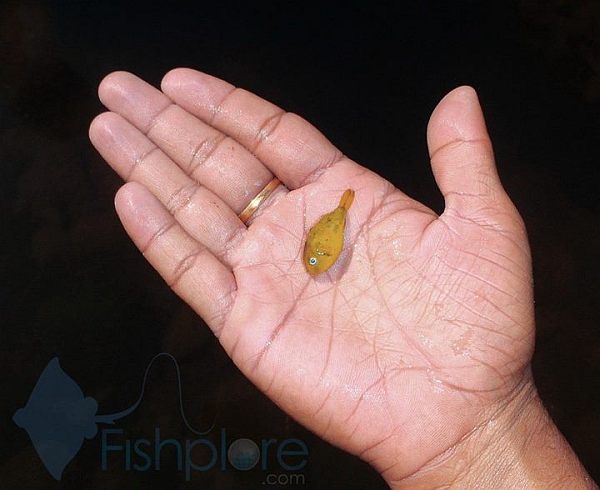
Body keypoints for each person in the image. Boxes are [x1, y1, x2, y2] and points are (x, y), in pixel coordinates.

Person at [89, 69, 596, 489]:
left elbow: (322, 247)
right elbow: (320, 249)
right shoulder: (324, 238)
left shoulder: (330, 231)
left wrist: (483, 436)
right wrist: (478, 445)